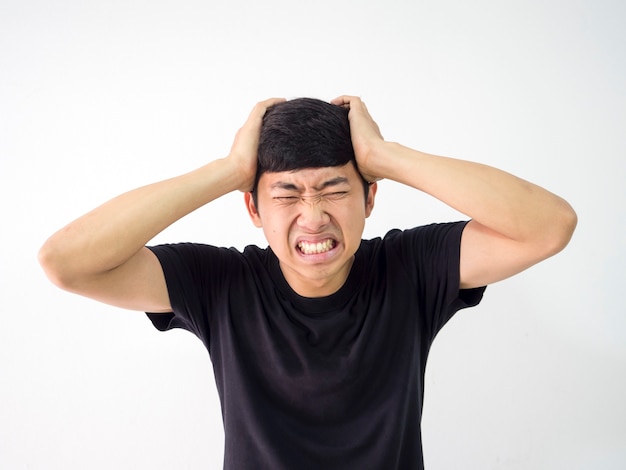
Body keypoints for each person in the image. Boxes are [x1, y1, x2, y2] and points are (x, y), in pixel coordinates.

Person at [38, 95, 577, 469]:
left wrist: (384, 157)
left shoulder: (410, 268)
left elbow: (550, 226)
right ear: (252, 207)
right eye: (287, 194)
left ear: (370, 198)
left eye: (335, 190)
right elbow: (66, 262)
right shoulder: (221, 283)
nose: (313, 216)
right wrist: (228, 170)